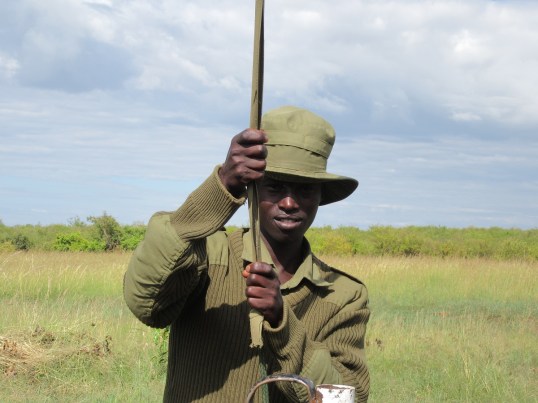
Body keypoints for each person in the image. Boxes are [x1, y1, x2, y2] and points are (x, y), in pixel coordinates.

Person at [123, 105, 370, 402]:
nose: (289, 203)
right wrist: (221, 185)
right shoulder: (208, 254)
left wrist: (281, 320)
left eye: (305, 189)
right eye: (274, 187)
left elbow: (345, 398)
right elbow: (146, 304)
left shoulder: (342, 294)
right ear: (252, 189)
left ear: (320, 197)